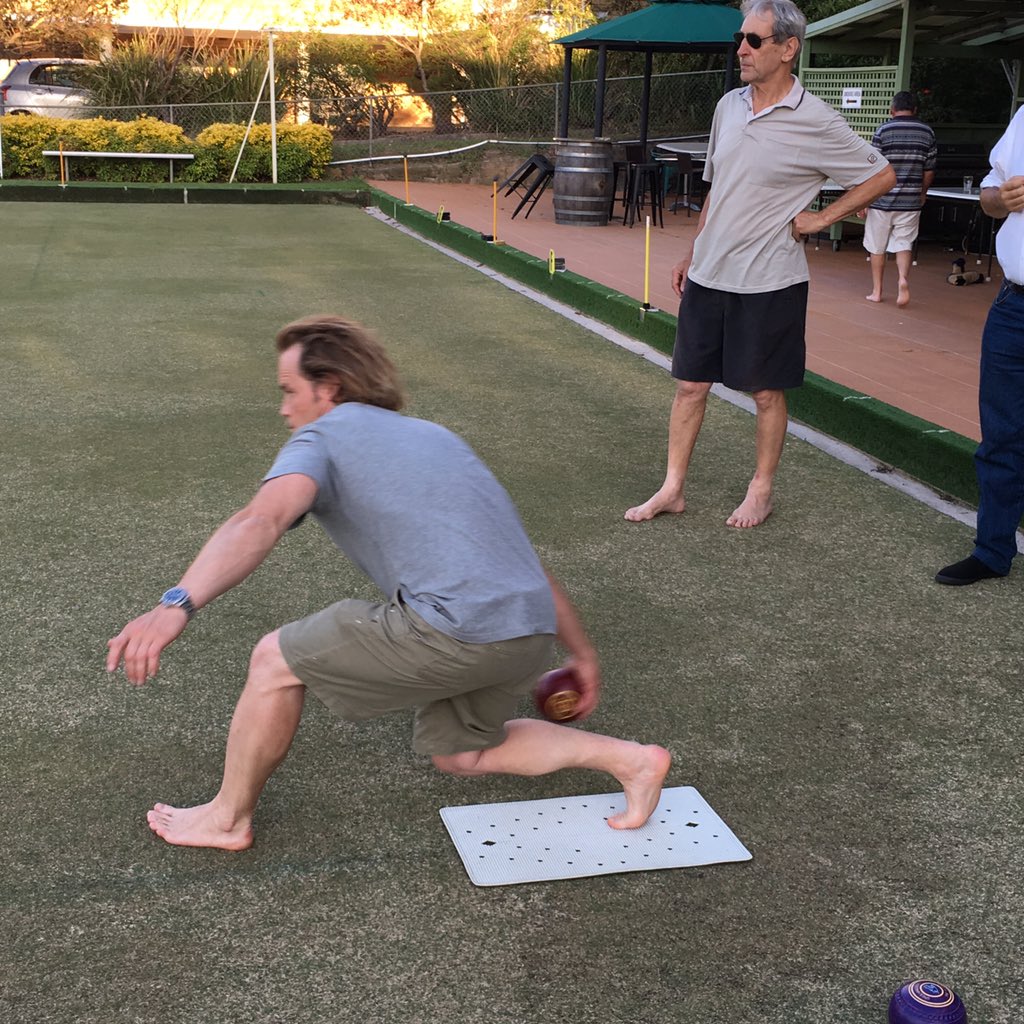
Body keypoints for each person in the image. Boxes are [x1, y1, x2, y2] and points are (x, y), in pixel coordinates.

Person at [106, 315, 672, 851]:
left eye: (287, 389)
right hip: (524, 631)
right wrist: (582, 652)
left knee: (274, 660)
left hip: (457, 628)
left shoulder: (321, 438)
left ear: (326, 388)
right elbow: (523, 560)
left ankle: (226, 820)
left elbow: (261, 519)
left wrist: (177, 603)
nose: (284, 408)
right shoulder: (435, 436)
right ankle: (633, 761)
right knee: (463, 754)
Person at [625, 0, 896, 530]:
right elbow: (716, 190)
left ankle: (761, 491)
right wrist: (691, 251)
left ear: (788, 48)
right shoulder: (728, 106)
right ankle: (673, 488)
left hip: (771, 280)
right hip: (709, 274)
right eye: (740, 38)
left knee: (767, 392)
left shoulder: (816, 119)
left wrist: (822, 219)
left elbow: (881, 175)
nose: (741, 49)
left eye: (754, 40)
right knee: (689, 385)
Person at [935, 108, 1024, 586]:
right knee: (1001, 435)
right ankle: (992, 550)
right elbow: (990, 192)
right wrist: (1001, 198)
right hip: (1015, 306)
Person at [860, 92, 937, 307]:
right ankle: (902, 279)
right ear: (915, 110)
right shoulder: (926, 132)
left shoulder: (883, 130)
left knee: (877, 246)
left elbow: (872, 169)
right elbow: (929, 170)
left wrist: (865, 199)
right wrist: (922, 193)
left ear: (892, 110)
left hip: (881, 199)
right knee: (904, 242)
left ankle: (877, 290)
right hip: (911, 200)